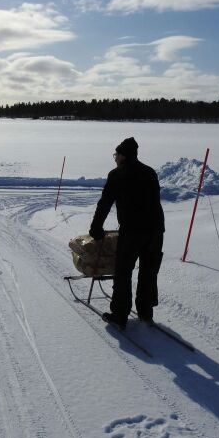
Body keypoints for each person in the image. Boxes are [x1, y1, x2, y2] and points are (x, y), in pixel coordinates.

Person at [89, 137, 164, 329]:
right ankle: (146, 312)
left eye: (116, 155)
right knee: (149, 272)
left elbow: (105, 203)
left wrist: (96, 228)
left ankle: (120, 315)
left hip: (132, 231)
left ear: (123, 156)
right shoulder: (149, 172)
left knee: (123, 272)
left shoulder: (117, 174)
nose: (115, 158)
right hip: (155, 230)